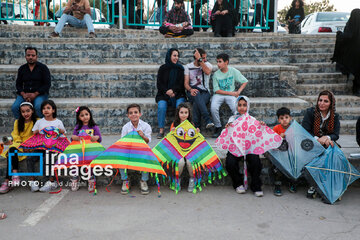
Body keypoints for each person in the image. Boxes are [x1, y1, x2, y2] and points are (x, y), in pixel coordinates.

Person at [302, 90, 340, 198]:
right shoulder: (310, 113)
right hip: (310, 142)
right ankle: (313, 185)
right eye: (320, 100)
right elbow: (305, 131)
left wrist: (327, 138)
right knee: (314, 157)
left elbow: (336, 134)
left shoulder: (335, 116)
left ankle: (330, 185)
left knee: (334, 156)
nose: (321, 103)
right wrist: (317, 139)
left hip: (326, 143)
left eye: (326, 101)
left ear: (331, 104)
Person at [225, 96, 264, 197]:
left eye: (244, 105)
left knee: (256, 162)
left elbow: (256, 133)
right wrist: (228, 127)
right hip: (236, 146)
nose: (242, 108)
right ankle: (238, 183)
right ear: (236, 106)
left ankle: (256, 186)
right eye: (239, 105)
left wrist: (260, 126)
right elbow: (229, 134)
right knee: (230, 163)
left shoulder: (252, 119)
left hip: (249, 147)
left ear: (248, 106)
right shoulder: (232, 119)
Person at [0, 102, 38, 194]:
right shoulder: (17, 122)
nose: (26, 114)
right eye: (23, 112)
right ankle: (15, 174)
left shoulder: (37, 121)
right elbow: (16, 136)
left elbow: (38, 137)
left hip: (31, 146)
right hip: (19, 145)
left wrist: (28, 146)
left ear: (32, 111)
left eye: (28, 111)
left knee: (11, 153)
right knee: (12, 150)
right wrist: (22, 145)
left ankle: (7, 181)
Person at [31, 100, 66, 192]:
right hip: (41, 145)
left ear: (53, 110)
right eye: (44, 109)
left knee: (48, 157)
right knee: (31, 157)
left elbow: (63, 134)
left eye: (48, 108)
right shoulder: (39, 122)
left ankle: (51, 181)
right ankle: (32, 181)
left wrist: (58, 130)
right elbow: (34, 133)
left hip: (53, 146)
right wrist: (39, 131)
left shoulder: (58, 122)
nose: (46, 110)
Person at [210, 53, 248, 138]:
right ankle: (218, 127)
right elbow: (217, 90)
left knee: (236, 108)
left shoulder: (233, 71)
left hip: (231, 95)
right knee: (213, 107)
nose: (218, 64)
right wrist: (232, 93)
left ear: (226, 62)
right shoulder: (216, 74)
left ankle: (237, 126)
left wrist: (238, 91)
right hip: (219, 95)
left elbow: (245, 81)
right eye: (217, 62)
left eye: (220, 62)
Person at [120, 104, 152, 195]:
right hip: (129, 151)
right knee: (120, 157)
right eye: (131, 113)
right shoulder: (126, 127)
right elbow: (123, 142)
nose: (133, 114)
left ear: (140, 114)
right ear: (128, 115)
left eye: (135, 112)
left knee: (147, 156)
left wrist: (142, 136)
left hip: (142, 151)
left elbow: (148, 141)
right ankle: (125, 180)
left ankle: (143, 181)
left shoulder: (146, 126)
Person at [12, 47, 51, 119]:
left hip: (40, 94)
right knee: (15, 107)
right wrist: (24, 94)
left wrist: (35, 94)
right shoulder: (22, 68)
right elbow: (18, 84)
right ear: (25, 56)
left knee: (38, 106)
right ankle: (22, 125)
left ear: (36, 56)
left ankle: (38, 126)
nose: (30, 57)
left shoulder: (43, 68)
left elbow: (47, 84)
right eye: (28, 55)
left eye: (33, 55)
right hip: (25, 94)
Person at [70, 106, 102, 192]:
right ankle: (75, 178)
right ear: (79, 117)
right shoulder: (78, 127)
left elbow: (100, 139)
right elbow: (72, 138)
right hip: (79, 150)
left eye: (87, 114)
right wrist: (74, 137)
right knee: (75, 163)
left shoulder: (94, 127)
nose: (85, 117)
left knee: (90, 165)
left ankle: (91, 179)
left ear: (90, 115)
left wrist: (96, 137)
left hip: (90, 151)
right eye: (82, 115)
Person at [156, 48, 186, 139]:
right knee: (161, 106)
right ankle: (161, 130)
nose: (176, 58)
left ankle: (179, 129)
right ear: (169, 56)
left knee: (180, 106)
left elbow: (181, 84)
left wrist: (173, 91)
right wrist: (167, 91)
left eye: (177, 56)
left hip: (178, 93)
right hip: (163, 94)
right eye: (174, 55)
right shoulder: (163, 68)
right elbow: (159, 84)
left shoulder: (180, 68)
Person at [169, 103, 199, 192]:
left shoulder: (191, 124)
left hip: (189, 150)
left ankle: (192, 179)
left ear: (189, 114)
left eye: (186, 112)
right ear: (178, 113)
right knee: (181, 162)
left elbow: (195, 140)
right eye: (181, 112)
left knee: (190, 161)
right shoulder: (174, 124)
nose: (184, 114)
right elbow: (170, 139)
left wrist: (197, 133)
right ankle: (177, 179)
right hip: (177, 150)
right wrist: (171, 132)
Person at [331, 9, 360, 96]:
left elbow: (348, 36)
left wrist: (339, 34)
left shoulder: (350, 24)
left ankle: (352, 82)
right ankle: (357, 89)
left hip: (351, 54)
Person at [184, 48, 214, 130]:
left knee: (197, 103)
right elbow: (186, 84)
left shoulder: (207, 65)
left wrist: (201, 60)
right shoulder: (188, 67)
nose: (205, 59)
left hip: (205, 92)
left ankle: (196, 127)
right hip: (192, 91)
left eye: (204, 58)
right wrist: (190, 90)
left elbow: (207, 72)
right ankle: (207, 119)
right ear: (197, 58)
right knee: (196, 94)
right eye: (203, 58)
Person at [270, 107, 297, 196]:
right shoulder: (276, 128)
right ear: (278, 120)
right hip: (279, 154)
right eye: (282, 118)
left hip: (290, 154)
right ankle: (277, 185)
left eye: (286, 117)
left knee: (294, 164)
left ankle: (292, 182)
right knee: (276, 167)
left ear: (290, 118)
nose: (284, 120)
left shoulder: (293, 129)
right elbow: (272, 142)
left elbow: (296, 142)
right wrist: (279, 137)